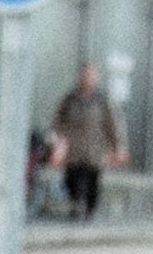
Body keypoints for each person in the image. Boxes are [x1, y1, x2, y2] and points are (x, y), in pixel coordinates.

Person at [52, 61, 125, 219]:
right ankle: (75, 206)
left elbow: (113, 125)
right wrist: (58, 142)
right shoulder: (70, 98)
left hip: (95, 148)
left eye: (91, 75)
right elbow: (58, 121)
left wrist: (118, 148)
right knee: (71, 178)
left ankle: (89, 210)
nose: (87, 79)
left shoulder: (103, 100)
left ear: (96, 78)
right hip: (74, 148)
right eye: (84, 75)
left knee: (92, 180)